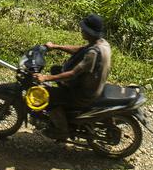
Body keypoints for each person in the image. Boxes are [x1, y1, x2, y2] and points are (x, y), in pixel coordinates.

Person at [33, 13, 112, 141]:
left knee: (48, 96)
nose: (81, 30)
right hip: (93, 85)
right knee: (55, 69)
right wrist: (56, 47)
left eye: (83, 29)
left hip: (84, 94)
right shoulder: (101, 43)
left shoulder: (93, 53)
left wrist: (45, 78)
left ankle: (61, 130)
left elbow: (73, 74)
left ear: (89, 32)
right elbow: (80, 49)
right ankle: (66, 111)